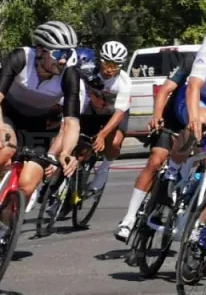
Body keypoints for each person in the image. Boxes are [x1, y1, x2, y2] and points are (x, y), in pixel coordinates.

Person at [117, 11, 206, 242]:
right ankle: (172, 172)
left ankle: (197, 225)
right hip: (193, 99)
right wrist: (194, 117)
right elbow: (194, 85)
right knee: (200, 121)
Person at [0, 21, 83, 216]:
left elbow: (72, 122)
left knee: (28, 184)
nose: (62, 61)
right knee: (4, 150)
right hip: (8, 116)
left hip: (38, 126)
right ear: (40, 50)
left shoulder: (69, 74)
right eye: (57, 54)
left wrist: (67, 152)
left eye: (67, 54)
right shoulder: (21, 58)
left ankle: (4, 231)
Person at [75, 41, 132, 205]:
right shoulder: (88, 71)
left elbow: (120, 113)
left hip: (114, 114)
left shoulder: (124, 82)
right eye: (107, 64)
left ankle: (105, 168)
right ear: (100, 60)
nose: (110, 70)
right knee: (81, 146)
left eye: (115, 66)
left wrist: (102, 135)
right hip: (93, 110)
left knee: (113, 143)